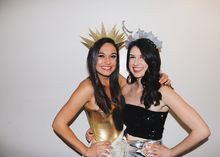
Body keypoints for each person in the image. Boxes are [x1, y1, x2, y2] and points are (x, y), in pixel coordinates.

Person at [52, 24, 170, 157]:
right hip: (105, 153)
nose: (107, 61)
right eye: (101, 56)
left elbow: (139, 94)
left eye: (113, 56)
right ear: (93, 58)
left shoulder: (118, 80)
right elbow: (58, 124)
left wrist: (159, 77)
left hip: (125, 149)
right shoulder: (87, 87)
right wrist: (86, 151)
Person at [121, 38, 211, 157]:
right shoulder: (126, 87)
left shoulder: (163, 91)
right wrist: (96, 128)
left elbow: (202, 131)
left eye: (142, 57)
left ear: (151, 60)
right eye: (132, 57)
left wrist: (170, 152)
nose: (136, 63)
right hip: (122, 151)